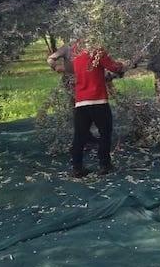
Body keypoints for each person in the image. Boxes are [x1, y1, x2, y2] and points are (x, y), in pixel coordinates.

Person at [49, 38, 127, 178]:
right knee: (105, 133)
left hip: (80, 102)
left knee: (79, 136)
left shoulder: (75, 53)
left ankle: (77, 168)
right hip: (98, 100)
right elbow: (114, 68)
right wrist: (123, 65)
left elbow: (79, 71)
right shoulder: (97, 51)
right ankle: (105, 165)